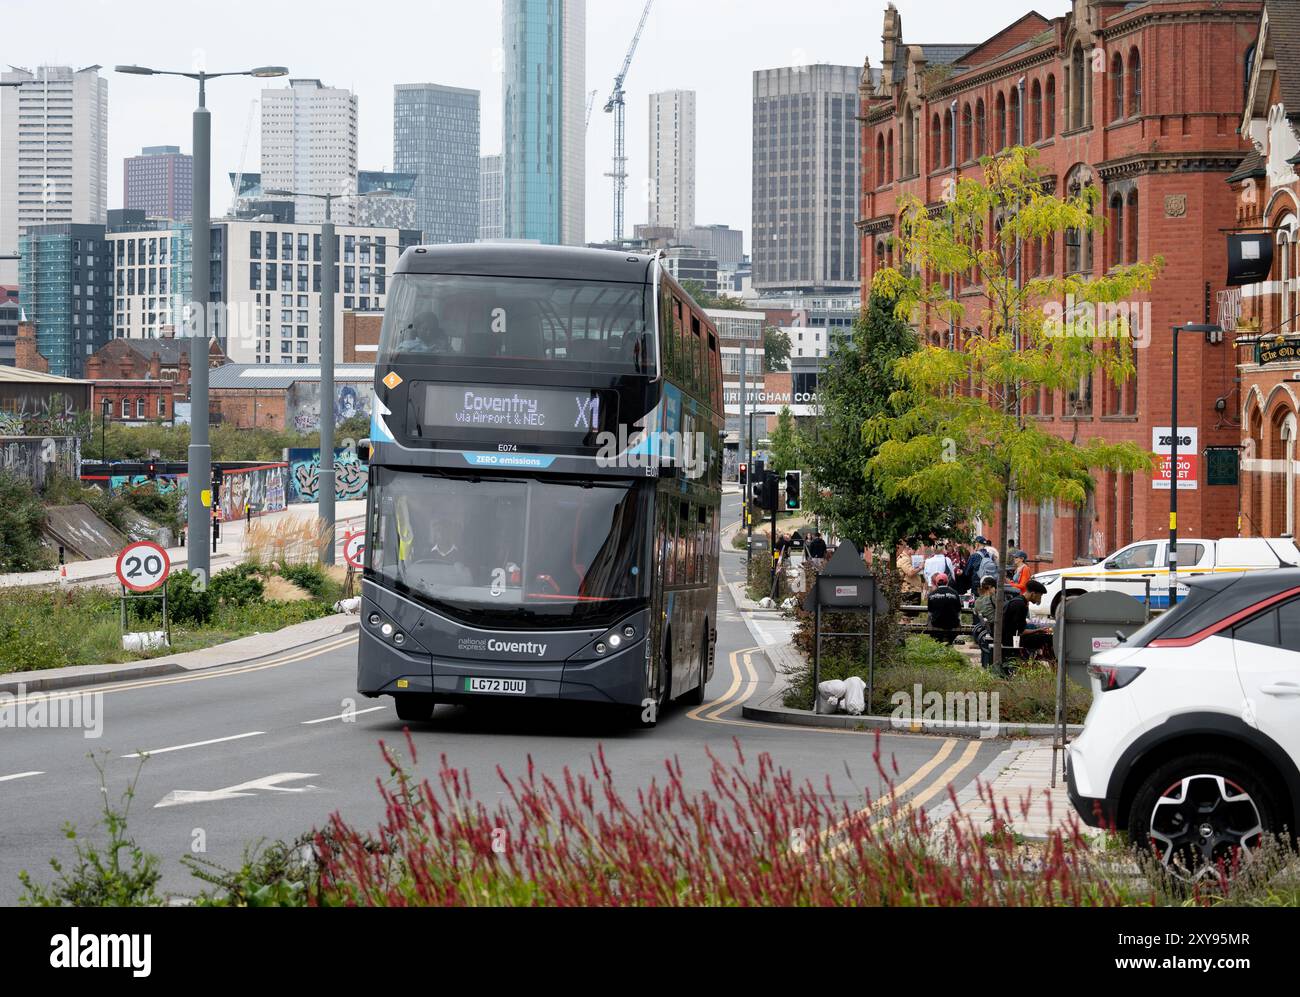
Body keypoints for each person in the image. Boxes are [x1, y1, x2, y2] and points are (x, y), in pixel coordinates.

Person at [1002, 579, 1054, 662]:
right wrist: (1037, 630)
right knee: (1049, 639)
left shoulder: (1018, 600)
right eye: (1039, 596)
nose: (1039, 600)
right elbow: (1020, 632)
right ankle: (1054, 664)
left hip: (1007, 637)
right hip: (1012, 640)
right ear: (1033, 594)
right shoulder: (1021, 605)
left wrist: (1038, 630)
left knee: (1043, 637)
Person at [926, 572, 962, 644]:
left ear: (936, 583)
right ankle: (950, 642)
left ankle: (937, 643)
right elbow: (958, 611)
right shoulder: (954, 593)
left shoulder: (931, 595)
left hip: (937, 624)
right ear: (947, 582)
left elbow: (930, 613)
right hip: (952, 624)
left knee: (930, 621)